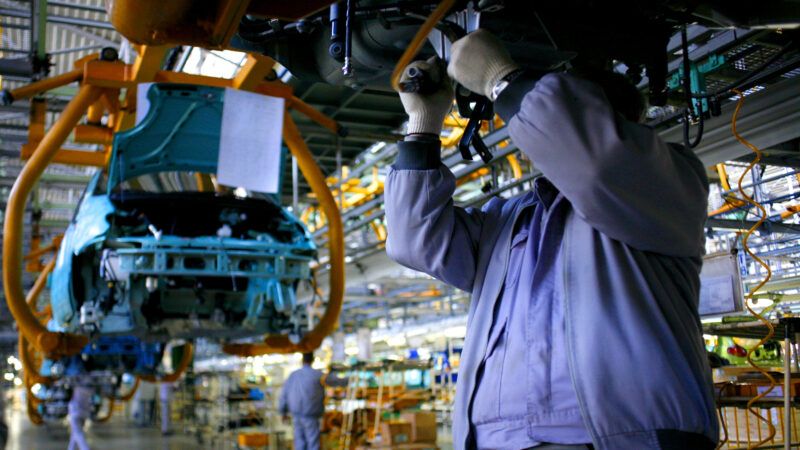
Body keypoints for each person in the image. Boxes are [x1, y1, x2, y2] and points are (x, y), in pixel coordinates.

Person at [385, 30, 717, 450]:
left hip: (621, 436)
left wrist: (501, 80)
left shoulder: (666, 184)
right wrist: (422, 128)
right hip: (498, 440)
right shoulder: (507, 218)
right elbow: (413, 240)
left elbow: (597, 162)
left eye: (558, 108)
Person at [278, 352, 324, 450]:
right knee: (313, 443)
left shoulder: (293, 375)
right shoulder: (318, 375)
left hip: (296, 415)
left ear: (302, 360)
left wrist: (283, 412)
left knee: (299, 443)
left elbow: (284, 394)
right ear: (313, 360)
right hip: (311, 415)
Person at [68, 382, 93, 450]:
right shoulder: (90, 390)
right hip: (84, 413)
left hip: (75, 413)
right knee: (74, 433)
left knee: (78, 434)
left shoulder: (77, 389)